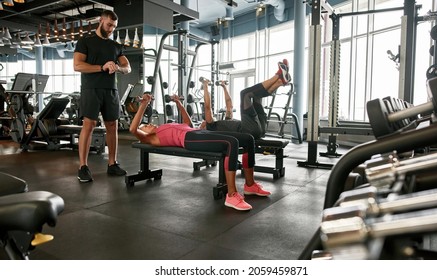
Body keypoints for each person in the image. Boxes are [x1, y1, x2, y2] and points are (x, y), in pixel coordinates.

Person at [130, 93, 271, 211]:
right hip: (189, 139)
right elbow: (133, 129)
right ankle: (231, 195)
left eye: (148, 123)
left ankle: (250, 185)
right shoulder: (150, 138)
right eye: (146, 126)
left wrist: (179, 103)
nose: (149, 124)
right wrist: (143, 105)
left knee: (248, 139)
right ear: (144, 132)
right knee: (231, 143)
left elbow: (188, 123)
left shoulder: (166, 125)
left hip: (197, 132)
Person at [74, 10, 131, 183]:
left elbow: (127, 67)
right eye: (109, 25)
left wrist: (117, 68)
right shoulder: (85, 41)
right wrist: (102, 67)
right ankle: (83, 167)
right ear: (101, 21)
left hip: (111, 90)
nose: (112, 28)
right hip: (91, 88)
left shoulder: (115, 46)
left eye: (114, 26)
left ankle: (112, 163)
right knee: (89, 125)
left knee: (112, 125)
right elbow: (77, 65)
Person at [200, 60, 291, 139]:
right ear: (203, 129)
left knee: (256, 97)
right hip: (248, 130)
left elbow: (229, 105)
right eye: (200, 126)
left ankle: (280, 82)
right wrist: (205, 86)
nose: (202, 123)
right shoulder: (210, 127)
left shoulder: (225, 122)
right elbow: (207, 107)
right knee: (244, 94)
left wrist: (224, 87)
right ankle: (278, 75)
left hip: (259, 128)